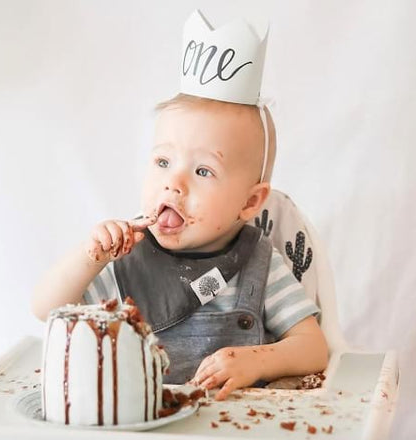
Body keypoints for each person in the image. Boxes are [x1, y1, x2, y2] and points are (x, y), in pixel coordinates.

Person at [32, 9, 328, 401]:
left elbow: (314, 347)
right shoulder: (126, 254)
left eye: (203, 171)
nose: (174, 182)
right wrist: (92, 257)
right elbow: (46, 309)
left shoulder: (258, 261)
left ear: (250, 201)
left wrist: (257, 360)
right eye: (163, 162)